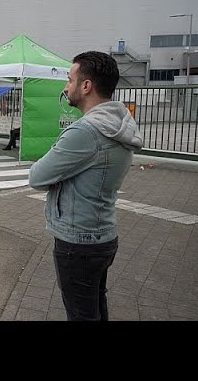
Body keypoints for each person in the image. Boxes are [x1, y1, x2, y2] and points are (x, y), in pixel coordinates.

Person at [28, 51, 143, 321]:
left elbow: (37, 177)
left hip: (77, 242)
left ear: (86, 86)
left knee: (81, 315)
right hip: (102, 235)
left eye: (69, 80)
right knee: (95, 308)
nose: (66, 87)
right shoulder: (119, 123)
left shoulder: (85, 132)